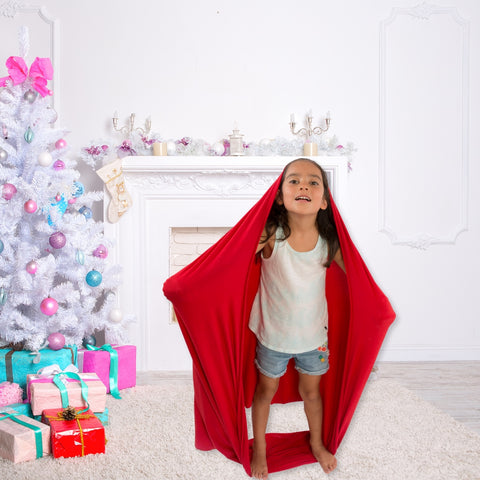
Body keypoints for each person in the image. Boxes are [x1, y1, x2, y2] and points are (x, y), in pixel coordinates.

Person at [249, 158, 345, 479]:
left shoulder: (329, 243)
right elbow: (232, 256)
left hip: (314, 337)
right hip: (272, 336)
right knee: (265, 391)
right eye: (294, 180)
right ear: (279, 196)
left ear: (324, 201)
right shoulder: (270, 235)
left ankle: (316, 443)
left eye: (313, 182)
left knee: (312, 393)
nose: (303, 185)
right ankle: (260, 449)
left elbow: (358, 281)